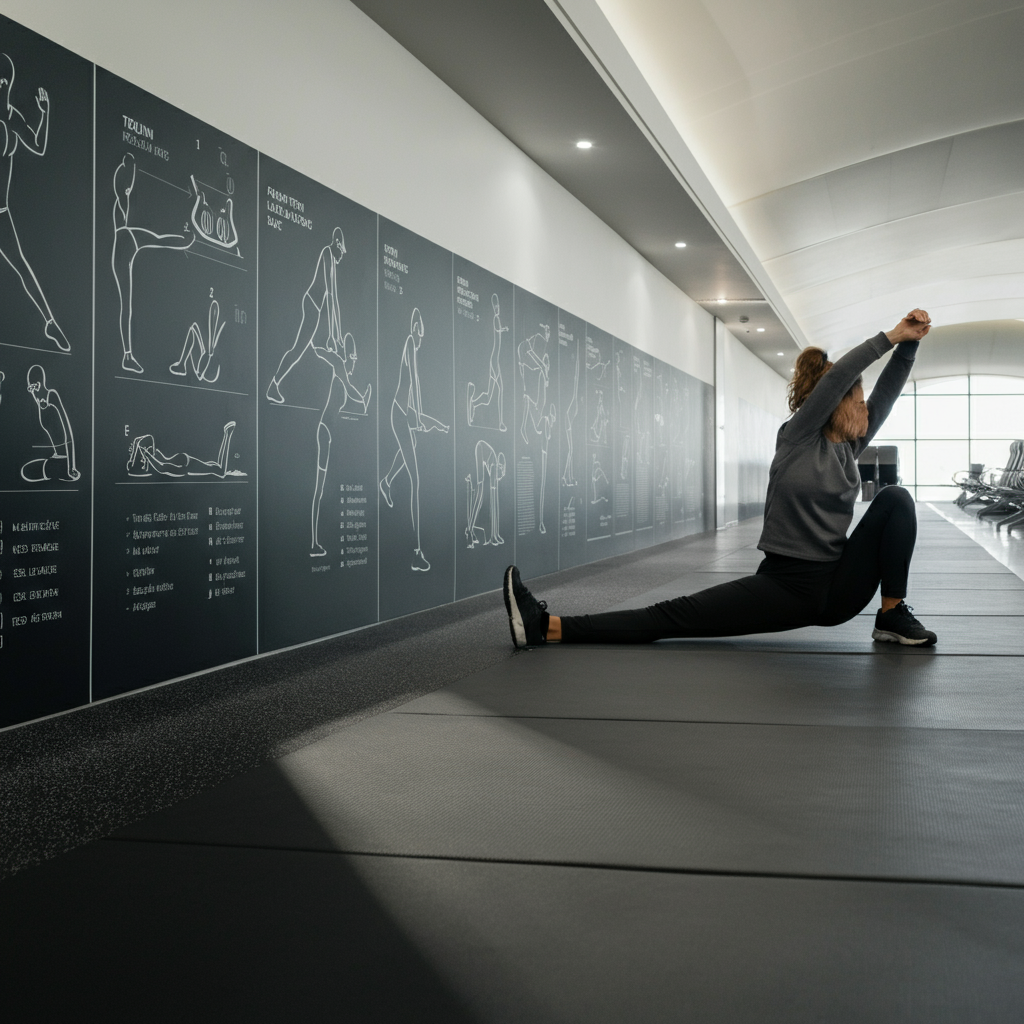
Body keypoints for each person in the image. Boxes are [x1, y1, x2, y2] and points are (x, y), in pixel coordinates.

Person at [503, 309, 938, 649]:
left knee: (895, 499)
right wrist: (889, 337)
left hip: (840, 586)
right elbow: (839, 377)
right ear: (835, 404)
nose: (866, 410)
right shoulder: (798, 436)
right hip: (786, 586)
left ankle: (891, 615)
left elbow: (887, 394)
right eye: (857, 400)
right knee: (671, 616)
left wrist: (909, 347)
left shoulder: (849, 448)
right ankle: (547, 627)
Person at [0, 55, 69, 352]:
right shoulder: (10, 118)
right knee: (22, 268)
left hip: (1, 213)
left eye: (3, 82)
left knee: (23, 268)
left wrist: (45, 112)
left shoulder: (13, 117)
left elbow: (39, 146)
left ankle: (51, 323)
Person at [379, 309, 449, 571]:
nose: (423, 329)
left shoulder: (414, 346)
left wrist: (434, 423)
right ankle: (417, 552)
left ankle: (385, 482)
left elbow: (416, 391)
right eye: (421, 325)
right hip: (399, 414)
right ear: (415, 326)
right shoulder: (410, 342)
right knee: (416, 481)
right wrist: (418, 417)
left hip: (405, 413)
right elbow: (416, 382)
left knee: (415, 444)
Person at [111, 153, 193, 373]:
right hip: (123, 247)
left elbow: (159, 240)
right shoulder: (121, 204)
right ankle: (127, 355)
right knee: (125, 306)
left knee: (126, 305)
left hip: (127, 243)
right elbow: (122, 189)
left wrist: (183, 242)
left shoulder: (129, 229)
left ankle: (128, 355)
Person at [266, 227, 346, 404]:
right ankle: (274, 384)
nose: (342, 255)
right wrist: (332, 336)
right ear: (337, 244)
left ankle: (276, 384)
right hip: (311, 305)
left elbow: (335, 300)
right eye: (342, 250)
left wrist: (338, 336)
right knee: (297, 351)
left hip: (315, 309)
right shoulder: (327, 252)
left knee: (308, 354)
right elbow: (330, 297)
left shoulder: (332, 259)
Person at [309, 331, 371, 557]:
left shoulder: (342, 367)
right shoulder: (340, 364)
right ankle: (314, 543)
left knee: (325, 489)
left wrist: (363, 400)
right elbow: (349, 387)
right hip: (324, 432)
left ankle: (317, 541)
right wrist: (363, 399)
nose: (354, 362)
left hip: (330, 434)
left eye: (355, 358)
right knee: (319, 489)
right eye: (353, 357)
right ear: (348, 354)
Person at [21, 364, 79, 482]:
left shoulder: (52, 396)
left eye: (35, 387)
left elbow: (68, 432)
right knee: (25, 471)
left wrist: (71, 467)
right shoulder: (40, 404)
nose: (33, 393)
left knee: (27, 471)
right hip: (57, 459)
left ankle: (61, 471)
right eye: (30, 389)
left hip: (63, 463)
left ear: (40, 383)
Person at [127, 421, 244, 479]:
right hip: (183, 461)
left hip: (184, 464)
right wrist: (145, 453)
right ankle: (226, 435)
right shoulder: (154, 456)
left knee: (220, 471)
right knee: (215, 466)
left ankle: (227, 434)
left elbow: (161, 467)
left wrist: (146, 454)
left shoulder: (151, 458)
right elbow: (162, 464)